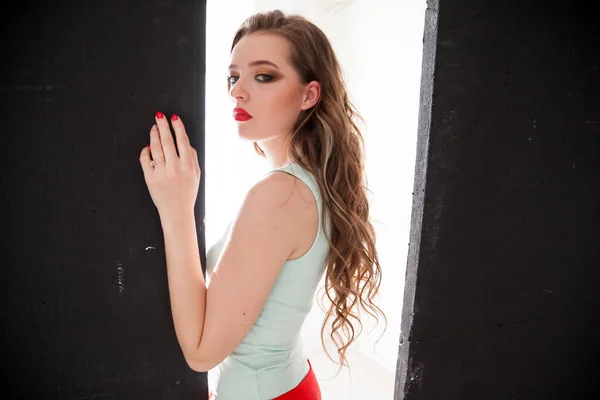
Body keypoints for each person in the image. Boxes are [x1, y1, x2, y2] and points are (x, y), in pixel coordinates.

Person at [139, 9, 386, 400]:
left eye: (264, 76)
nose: (238, 90)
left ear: (309, 94)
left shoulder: (279, 194)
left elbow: (202, 354)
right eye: (233, 76)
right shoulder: (307, 182)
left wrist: (177, 210)